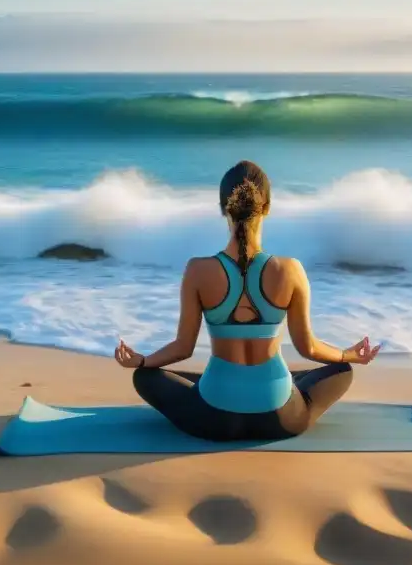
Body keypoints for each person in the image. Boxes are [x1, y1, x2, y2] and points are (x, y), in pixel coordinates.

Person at [114, 160, 381, 441]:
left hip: (213, 419)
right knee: (340, 370)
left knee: (145, 376)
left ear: (223, 209)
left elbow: (183, 349)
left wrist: (142, 360)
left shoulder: (198, 270)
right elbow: (309, 348)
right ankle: (277, 382)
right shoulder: (290, 270)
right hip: (281, 419)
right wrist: (348, 355)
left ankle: (213, 383)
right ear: (266, 207)